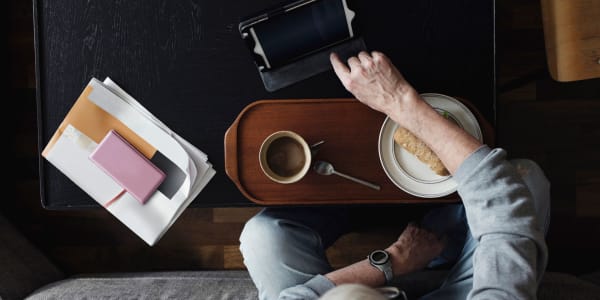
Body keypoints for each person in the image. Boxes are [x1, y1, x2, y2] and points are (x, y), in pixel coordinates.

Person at [239, 51, 550, 300]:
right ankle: (446, 243)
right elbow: (504, 211)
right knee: (525, 179)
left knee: (263, 237)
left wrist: (394, 259)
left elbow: (300, 295)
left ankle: (371, 215)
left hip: (392, 267)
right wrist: (399, 100)